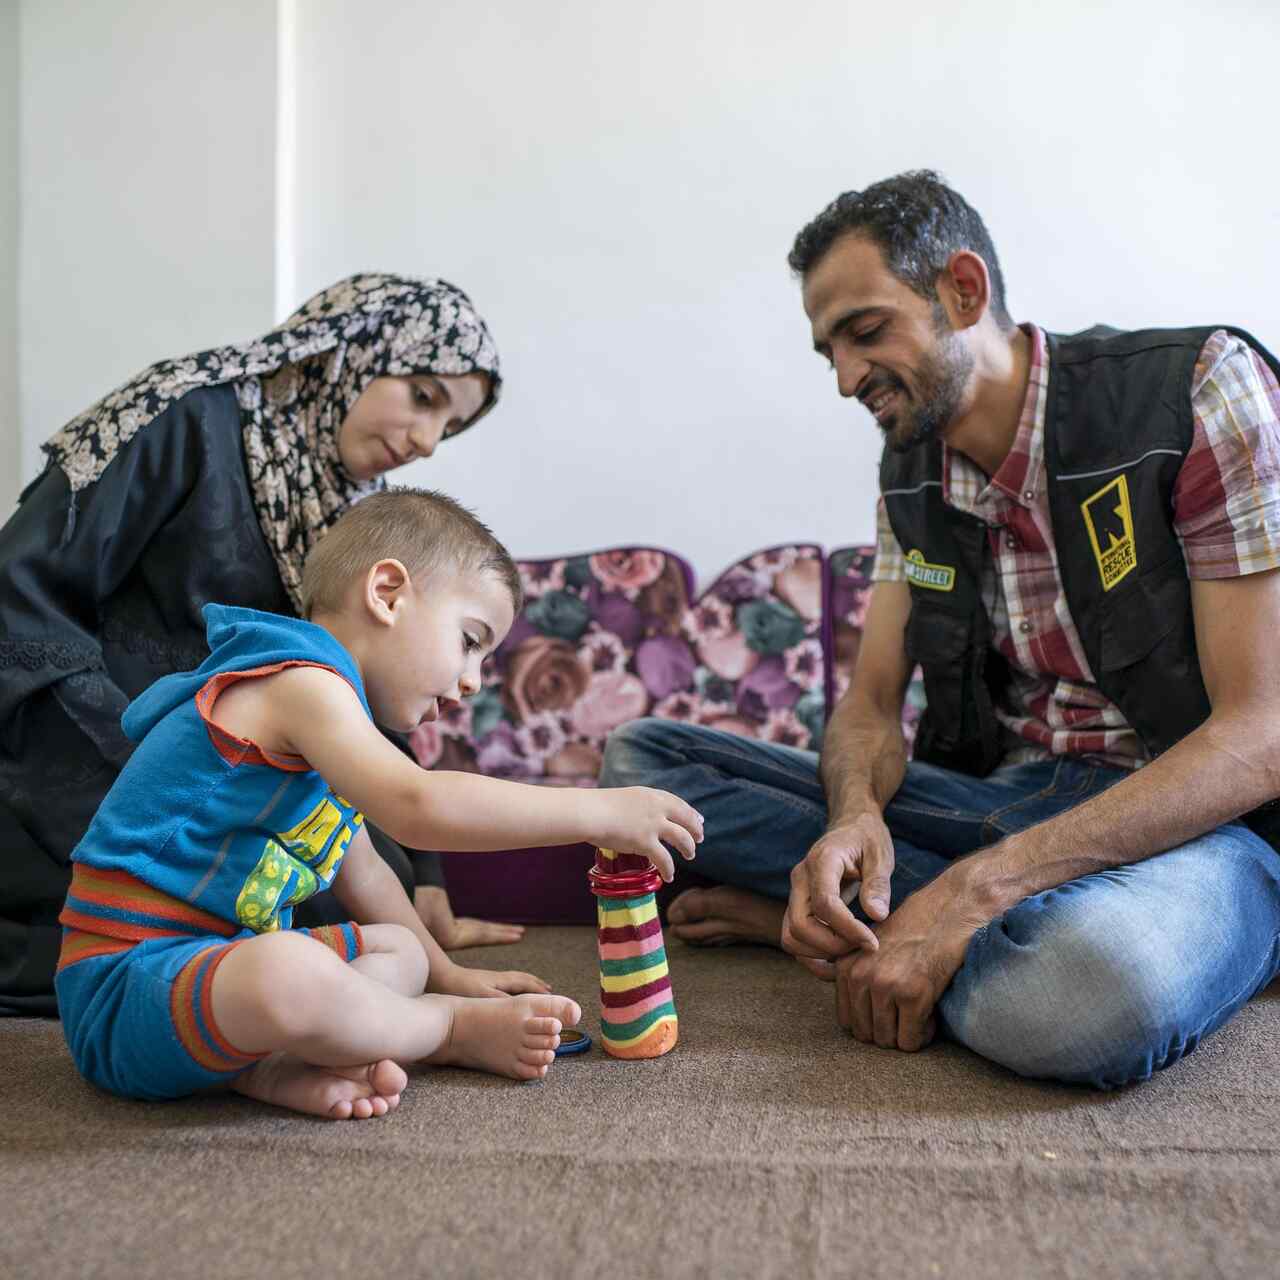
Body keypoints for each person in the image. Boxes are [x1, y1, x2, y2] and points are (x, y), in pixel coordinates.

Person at [600, 170, 1280, 1089]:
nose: (845, 379)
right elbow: (872, 705)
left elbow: (1258, 738)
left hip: (1205, 829)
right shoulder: (909, 469)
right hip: (1004, 800)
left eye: (866, 331)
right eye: (828, 350)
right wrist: (854, 818)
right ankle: (926, 927)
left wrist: (973, 889)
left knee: (1089, 995)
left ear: (963, 290)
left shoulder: (1200, 388)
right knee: (641, 764)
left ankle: (914, 929)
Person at [55, 487, 703, 1118]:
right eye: (470, 640)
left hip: (214, 989)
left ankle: (265, 1066)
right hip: (126, 988)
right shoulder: (298, 683)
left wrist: (444, 970)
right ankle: (438, 1031)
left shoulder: (332, 726)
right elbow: (416, 806)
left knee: (401, 949)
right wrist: (595, 811)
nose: (473, 679)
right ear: (387, 593)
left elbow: (359, 866)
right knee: (287, 972)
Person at [0, 273, 528, 1017]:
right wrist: (129, 764)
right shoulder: (185, 413)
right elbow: (18, 593)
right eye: (424, 395)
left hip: (231, 761)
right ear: (347, 352)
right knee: (316, 904)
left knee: (379, 872)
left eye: (450, 425)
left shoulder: (321, 500)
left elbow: (347, 686)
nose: (427, 441)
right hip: (74, 748)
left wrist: (430, 877)